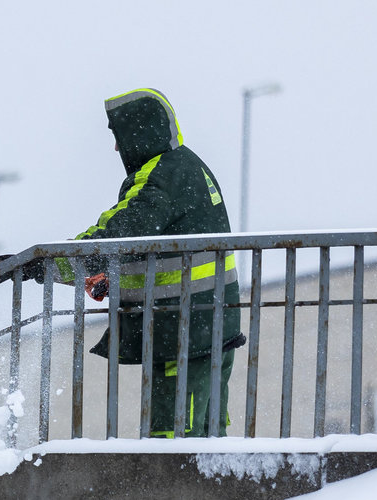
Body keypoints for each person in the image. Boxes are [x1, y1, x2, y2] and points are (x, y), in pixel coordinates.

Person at [56, 88, 244, 437]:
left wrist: (49, 263)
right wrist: (115, 277)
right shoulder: (186, 166)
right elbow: (157, 246)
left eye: (118, 137)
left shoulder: (161, 175)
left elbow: (117, 234)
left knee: (174, 437)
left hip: (186, 327)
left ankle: (175, 489)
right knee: (204, 432)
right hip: (205, 323)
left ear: (139, 131)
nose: (116, 148)